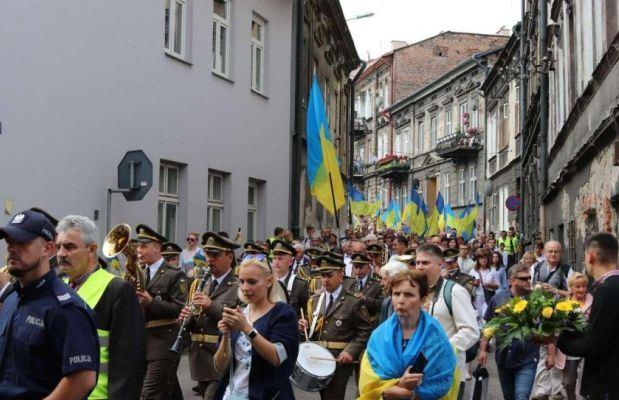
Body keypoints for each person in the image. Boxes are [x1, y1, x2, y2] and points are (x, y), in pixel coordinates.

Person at [0, 210, 99, 399]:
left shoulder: (64, 307)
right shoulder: (13, 299)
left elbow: (83, 379)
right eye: (9, 242)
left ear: (48, 248)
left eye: (22, 242)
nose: (12, 248)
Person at [56, 215, 146, 399]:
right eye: (58, 247)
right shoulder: (58, 285)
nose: (61, 254)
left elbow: (128, 366)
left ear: (92, 249)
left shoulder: (117, 290)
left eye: (69, 247)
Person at [358, 270, 459, 400]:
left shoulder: (436, 339)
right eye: (396, 294)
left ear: (423, 299)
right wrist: (398, 385)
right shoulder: (379, 336)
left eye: (409, 295)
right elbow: (368, 381)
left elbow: (443, 382)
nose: (401, 300)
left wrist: (412, 394)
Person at [213, 255, 299, 400]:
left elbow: (278, 357)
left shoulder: (283, 313)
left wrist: (247, 329)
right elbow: (220, 367)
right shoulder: (239, 312)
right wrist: (226, 335)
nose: (245, 288)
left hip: (269, 395)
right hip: (231, 394)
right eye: (241, 281)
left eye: (252, 282)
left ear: (269, 281)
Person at [299, 255, 373, 400]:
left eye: (329, 275)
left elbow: (364, 331)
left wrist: (350, 351)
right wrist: (304, 327)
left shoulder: (353, 301)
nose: (325, 280)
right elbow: (313, 329)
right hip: (319, 357)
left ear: (340, 275)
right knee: (324, 395)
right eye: (323, 276)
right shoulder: (314, 300)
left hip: (340, 359)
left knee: (333, 396)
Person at [179, 232, 240, 399]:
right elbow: (194, 318)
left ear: (229, 256)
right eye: (208, 254)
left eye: (216, 255)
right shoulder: (200, 283)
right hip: (199, 360)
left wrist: (210, 305)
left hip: (222, 358)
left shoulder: (239, 285)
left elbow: (238, 320)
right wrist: (186, 317)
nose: (210, 259)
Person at [558, 232, 619, 399]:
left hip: (607, 384)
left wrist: (558, 339)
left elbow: (595, 343)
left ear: (590, 256)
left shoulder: (607, 290)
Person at [415, 244, 479, 399]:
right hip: (417, 374)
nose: (420, 267)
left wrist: (442, 349)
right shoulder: (412, 292)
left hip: (447, 372)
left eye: (425, 263)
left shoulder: (455, 291)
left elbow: (471, 331)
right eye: (418, 262)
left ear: (440, 263)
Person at [135, 224, 187, 400]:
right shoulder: (139, 272)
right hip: (143, 341)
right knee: (166, 390)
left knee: (149, 394)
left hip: (164, 342)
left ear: (157, 247)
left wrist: (152, 303)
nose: (139, 250)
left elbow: (177, 309)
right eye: (138, 246)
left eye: (143, 246)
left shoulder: (174, 274)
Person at [478, 263, 539, 400]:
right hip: (504, 358)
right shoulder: (498, 298)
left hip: (527, 358)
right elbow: (489, 326)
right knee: (509, 397)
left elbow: (546, 328)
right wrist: (482, 349)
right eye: (524, 278)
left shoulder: (537, 299)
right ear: (512, 281)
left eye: (529, 277)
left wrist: (551, 354)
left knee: (522, 396)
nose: (528, 281)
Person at [561, 272, 593, 400]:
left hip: (589, 346)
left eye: (584, 286)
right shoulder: (564, 304)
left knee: (585, 381)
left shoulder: (594, 301)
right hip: (571, 347)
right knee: (568, 382)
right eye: (577, 286)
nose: (581, 289)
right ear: (571, 287)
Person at [270, 239, 308, 319]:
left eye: (280, 259)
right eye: (274, 258)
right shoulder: (266, 282)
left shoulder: (300, 285)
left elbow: (306, 312)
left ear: (290, 262)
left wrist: (303, 321)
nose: (276, 262)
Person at [350, 252, 383, 324]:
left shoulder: (376, 284)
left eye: (361, 267)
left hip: (370, 322)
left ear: (368, 267)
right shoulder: (349, 283)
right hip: (352, 323)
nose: (358, 271)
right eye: (356, 267)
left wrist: (365, 299)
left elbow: (380, 305)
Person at [468, 249, 497, 324]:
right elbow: (468, 285)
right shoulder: (473, 271)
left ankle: (486, 331)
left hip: (489, 297)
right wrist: (474, 283)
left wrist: (489, 285)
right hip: (477, 297)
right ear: (478, 260)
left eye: (485, 258)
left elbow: (497, 285)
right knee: (478, 316)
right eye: (481, 258)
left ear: (488, 259)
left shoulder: (493, 270)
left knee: (485, 316)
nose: (483, 260)